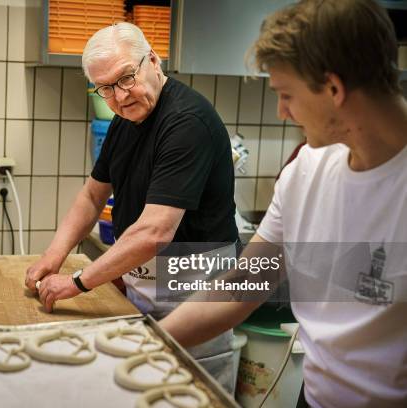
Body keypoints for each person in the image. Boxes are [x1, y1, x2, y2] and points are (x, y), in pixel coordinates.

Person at [160, 0, 407, 406]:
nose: (281, 112)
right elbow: (242, 286)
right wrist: (147, 342)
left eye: (286, 94)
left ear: (333, 88)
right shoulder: (306, 170)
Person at [25, 22, 240, 391]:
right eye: (105, 88)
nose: (120, 96)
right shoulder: (125, 121)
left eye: (126, 78)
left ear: (153, 60)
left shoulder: (186, 123)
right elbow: (92, 195)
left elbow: (155, 232)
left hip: (194, 294)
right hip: (146, 287)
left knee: (190, 394)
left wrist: (76, 282)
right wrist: (54, 254)